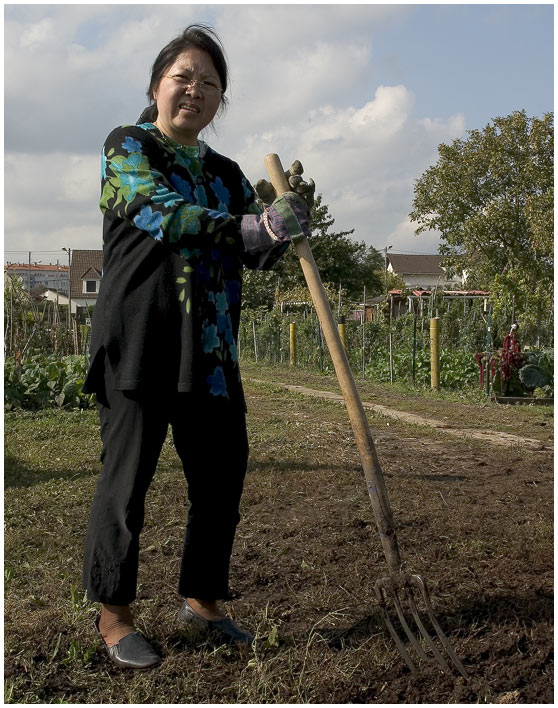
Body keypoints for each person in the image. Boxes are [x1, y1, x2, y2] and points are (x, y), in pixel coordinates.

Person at [82, 23, 312, 670]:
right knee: (125, 488)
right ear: (157, 85)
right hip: (142, 342)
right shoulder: (128, 147)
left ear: (219, 102)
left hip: (210, 352)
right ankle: (114, 615)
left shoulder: (226, 173)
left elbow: (256, 252)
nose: (195, 90)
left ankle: (203, 601)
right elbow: (163, 212)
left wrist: (287, 223)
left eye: (210, 84)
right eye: (184, 77)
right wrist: (251, 226)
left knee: (220, 483)